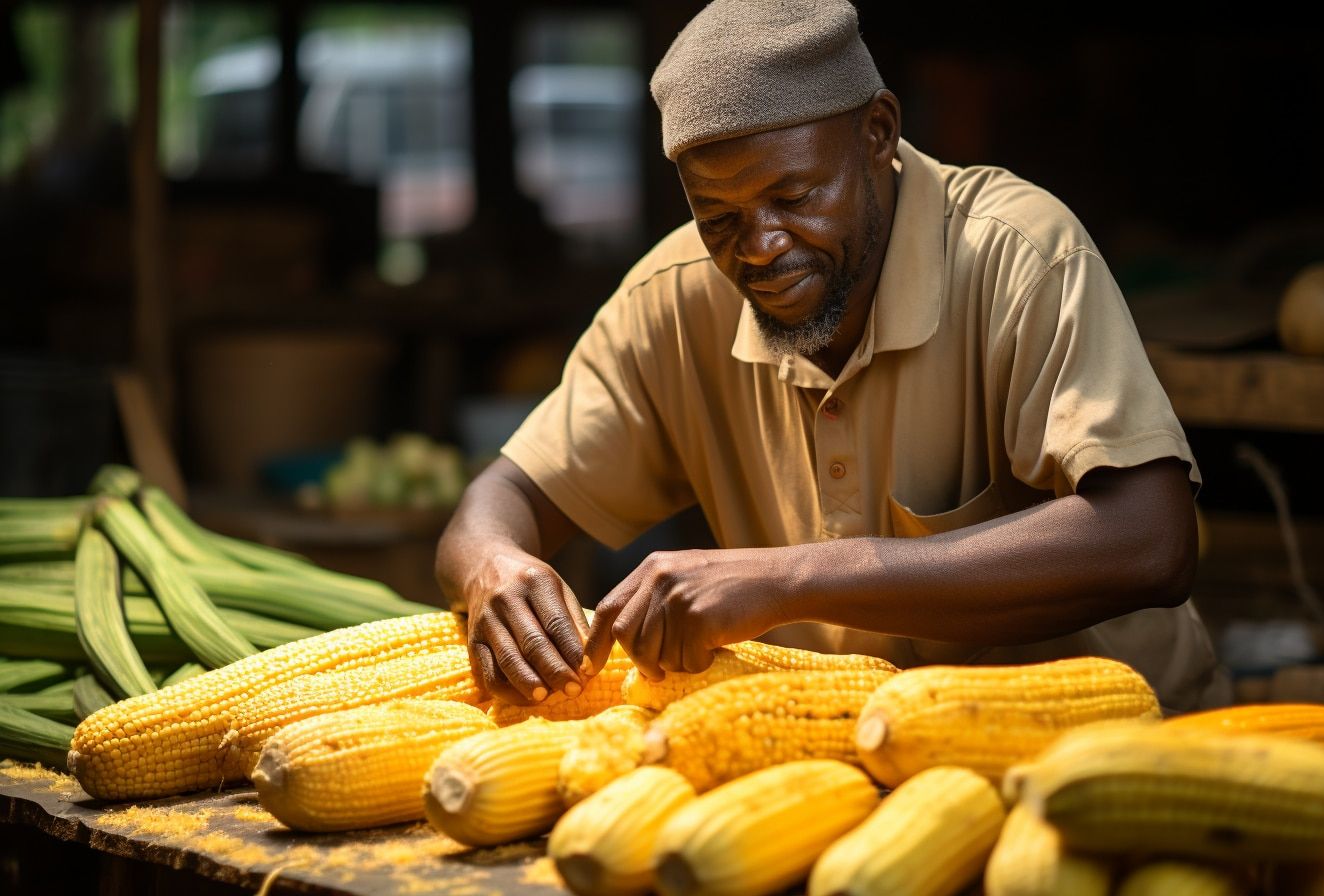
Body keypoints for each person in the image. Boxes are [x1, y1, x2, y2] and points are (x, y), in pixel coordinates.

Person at [436, 0, 1230, 712]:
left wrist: (786, 577)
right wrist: (493, 566)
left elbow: (1151, 541)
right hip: (861, 763)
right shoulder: (673, 298)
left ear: (878, 132)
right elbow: (500, 497)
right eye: (719, 217)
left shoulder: (1015, 252)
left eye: (794, 198)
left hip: (1114, 742)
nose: (762, 248)